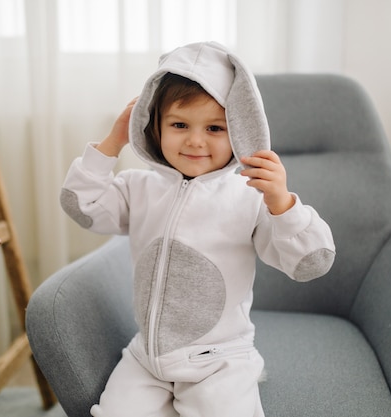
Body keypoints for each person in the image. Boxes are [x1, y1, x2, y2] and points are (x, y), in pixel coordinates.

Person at [60, 41, 335, 417]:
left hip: (220, 361)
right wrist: (113, 142)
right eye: (179, 124)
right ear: (154, 126)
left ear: (239, 132)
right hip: (148, 357)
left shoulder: (250, 197)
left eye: (215, 128)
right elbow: (82, 207)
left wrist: (282, 203)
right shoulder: (138, 187)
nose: (194, 140)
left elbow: (311, 262)